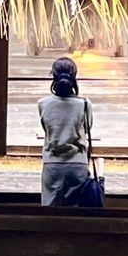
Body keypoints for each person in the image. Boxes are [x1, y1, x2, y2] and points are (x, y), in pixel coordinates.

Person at [39, 56, 93, 206]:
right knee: (77, 214)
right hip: (77, 163)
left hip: (52, 163)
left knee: (50, 212)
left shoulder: (43, 104)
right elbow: (88, 128)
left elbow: (46, 128)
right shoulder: (84, 104)